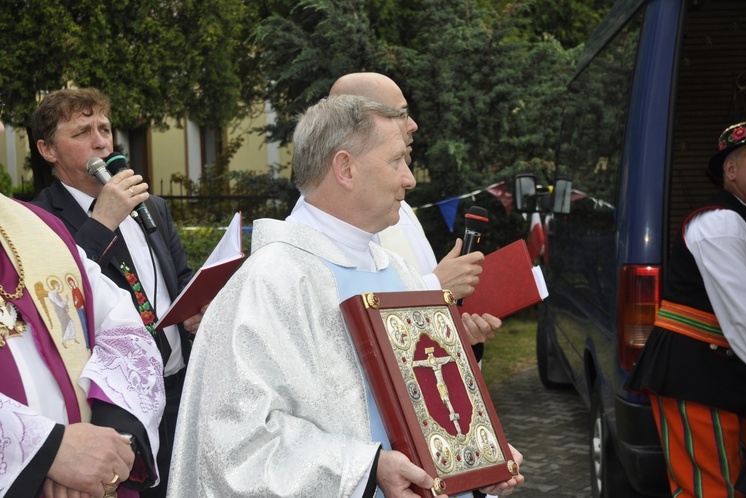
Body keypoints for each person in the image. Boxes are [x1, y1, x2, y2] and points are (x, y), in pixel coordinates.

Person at [168, 95, 524, 497]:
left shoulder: (398, 271)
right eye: (396, 162)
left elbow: (431, 401)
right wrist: (366, 470)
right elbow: (234, 450)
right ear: (345, 168)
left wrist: (477, 462)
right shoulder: (270, 282)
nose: (409, 179)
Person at [29, 88, 204, 498]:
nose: (101, 141)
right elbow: (58, 304)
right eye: (83, 131)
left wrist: (198, 310)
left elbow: (179, 281)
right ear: (47, 149)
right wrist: (103, 220)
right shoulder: (39, 220)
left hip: (180, 390)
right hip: (114, 408)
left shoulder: (152, 208)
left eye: (105, 129)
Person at [0, 113, 165, 496]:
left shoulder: (38, 228)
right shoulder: (54, 212)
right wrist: (45, 451)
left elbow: (123, 327)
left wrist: (109, 439)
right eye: (82, 132)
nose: (101, 142)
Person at [326, 72, 502, 354]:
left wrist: (459, 333)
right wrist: (437, 286)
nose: (413, 125)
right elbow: (348, 333)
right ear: (361, 122)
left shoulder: (400, 206)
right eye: (401, 114)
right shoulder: (340, 219)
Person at [625, 120, 746, 497]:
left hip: (726, 376)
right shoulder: (720, 223)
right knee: (708, 490)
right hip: (697, 373)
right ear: (730, 170)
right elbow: (744, 318)